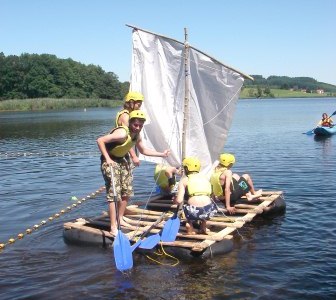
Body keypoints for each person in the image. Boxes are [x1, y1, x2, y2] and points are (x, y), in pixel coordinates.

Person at [97, 110, 170, 236]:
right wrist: (107, 159)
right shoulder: (122, 133)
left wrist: (161, 154)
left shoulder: (137, 135)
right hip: (110, 161)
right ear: (130, 123)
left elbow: (143, 150)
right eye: (135, 125)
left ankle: (120, 218)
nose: (138, 128)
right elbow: (100, 140)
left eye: (140, 126)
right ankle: (113, 226)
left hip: (122, 160)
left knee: (126, 191)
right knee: (114, 193)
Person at [174, 157, 216, 235]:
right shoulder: (206, 178)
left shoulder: (184, 180)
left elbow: (179, 200)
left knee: (186, 208)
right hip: (209, 211)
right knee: (204, 208)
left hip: (194, 212)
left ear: (186, 168)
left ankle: (190, 228)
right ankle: (203, 227)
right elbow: (212, 195)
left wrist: (175, 200)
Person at [115, 91, 144, 167]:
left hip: (124, 152)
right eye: (138, 104)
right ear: (131, 103)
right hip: (119, 153)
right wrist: (134, 156)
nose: (139, 107)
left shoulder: (129, 115)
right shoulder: (126, 116)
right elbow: (127, 139)